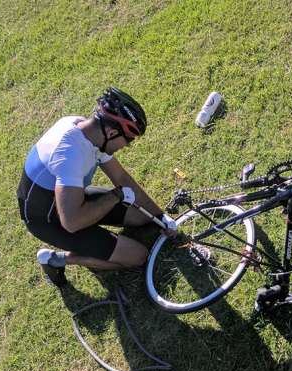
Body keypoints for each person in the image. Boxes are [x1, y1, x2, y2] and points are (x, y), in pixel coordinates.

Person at [17, 87, 176, 287]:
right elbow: (72, 222)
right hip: (49, 219)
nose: (126, 146)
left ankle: (99, 236)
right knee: (138, 256)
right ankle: (55, 260)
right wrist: (114, 197)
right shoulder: (70, 155)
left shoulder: (90, 132)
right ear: (111, 132)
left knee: (144, 216)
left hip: (71, 198)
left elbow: (121, 177)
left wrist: (161, 216)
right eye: (127, 140)